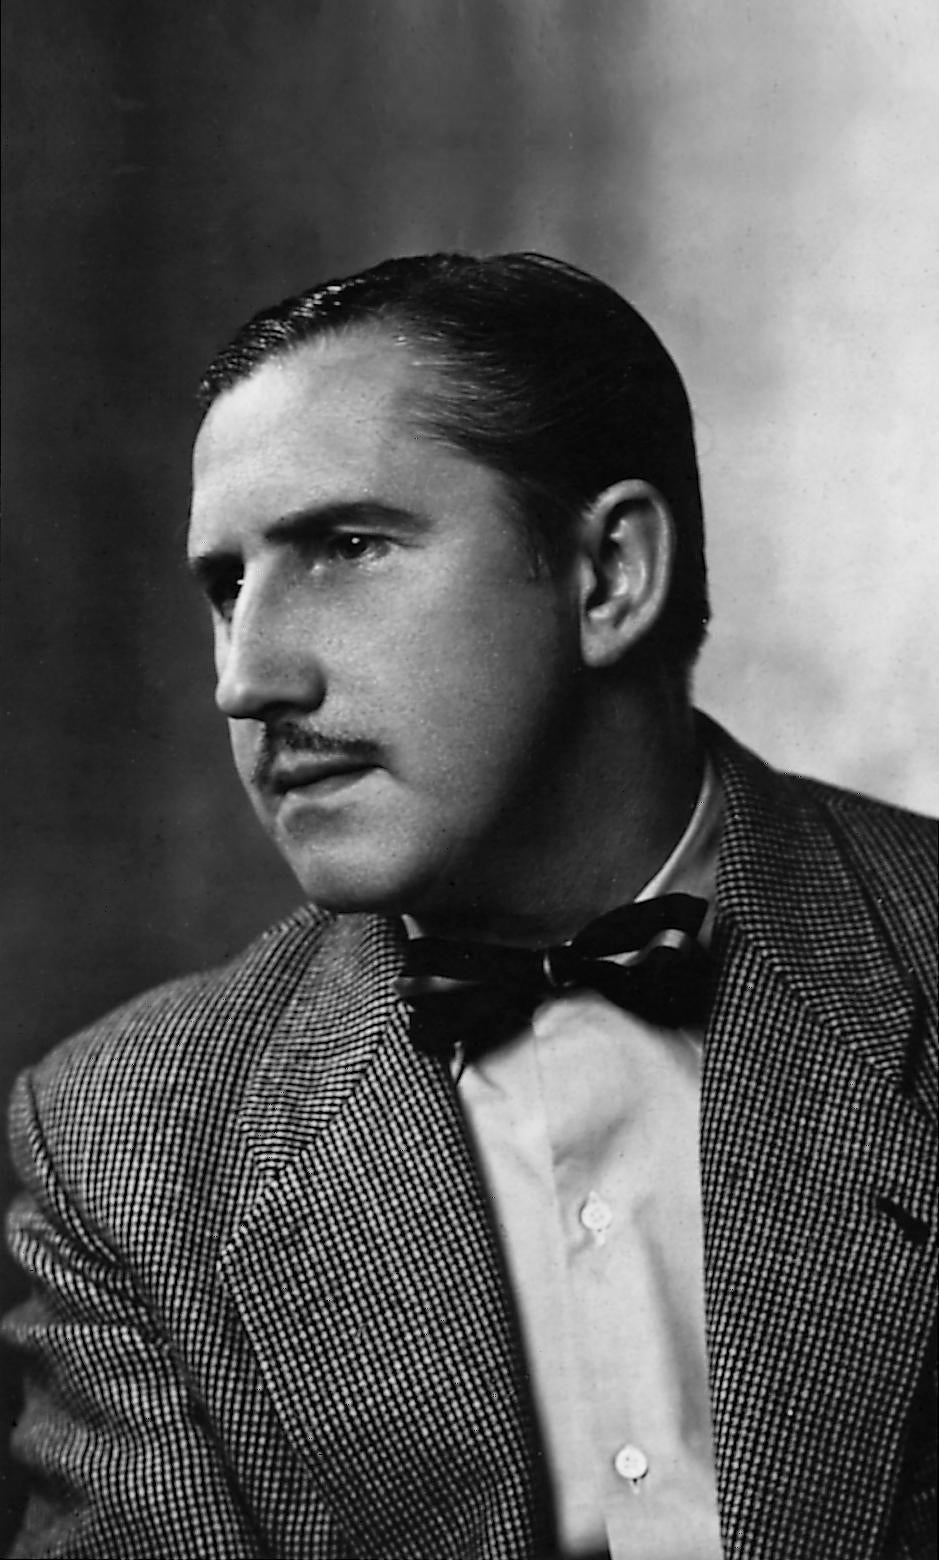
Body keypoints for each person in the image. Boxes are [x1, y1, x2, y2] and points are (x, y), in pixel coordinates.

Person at [3, 253, 935, 1560]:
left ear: (609, 575)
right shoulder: (121, 1140)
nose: (247, 680)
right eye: (226, 587)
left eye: (347, 548)